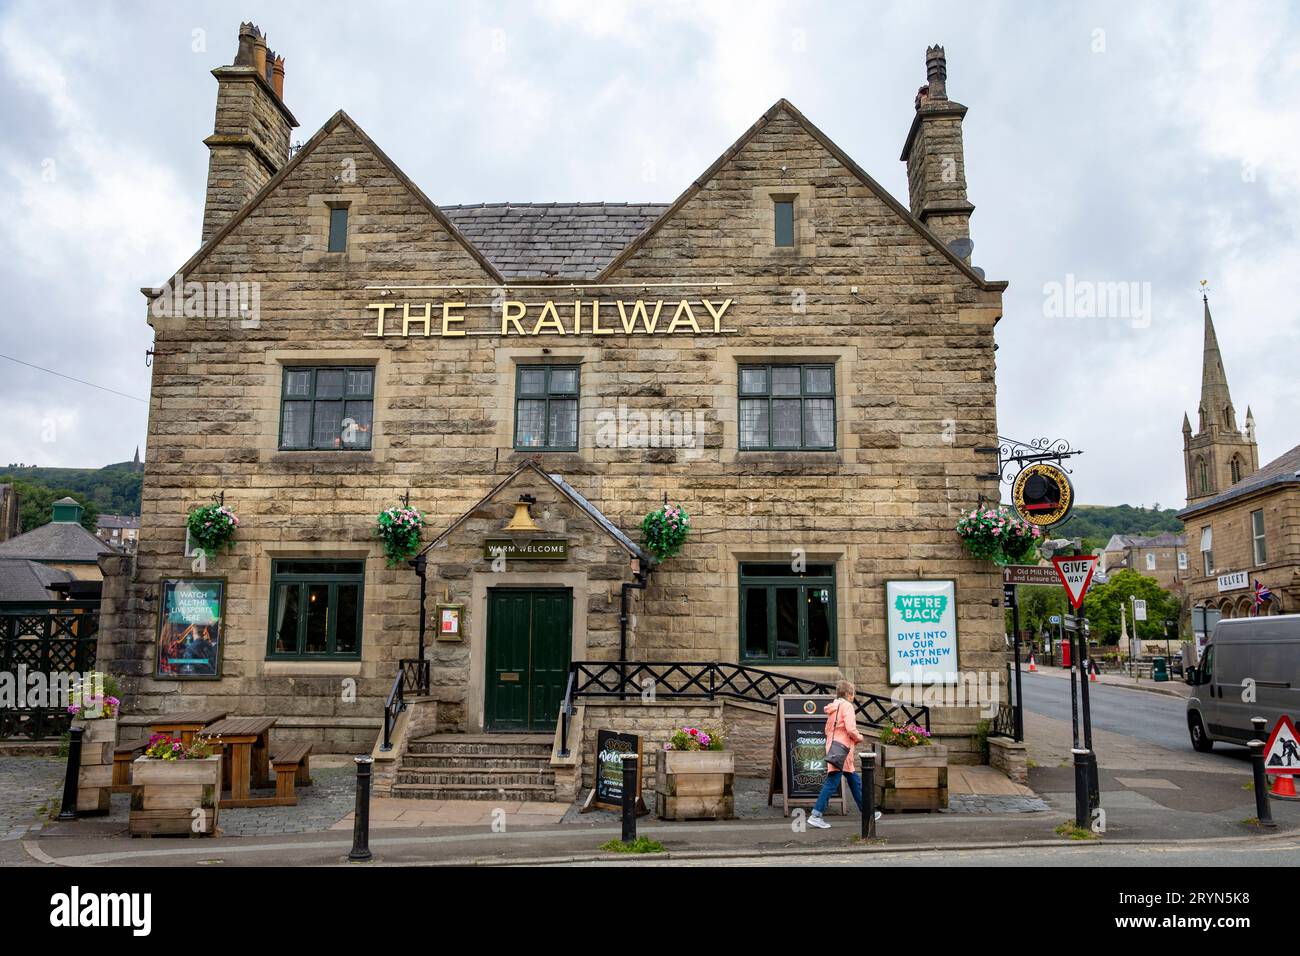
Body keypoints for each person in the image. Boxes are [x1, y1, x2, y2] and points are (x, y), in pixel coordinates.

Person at [807, 680, 879, 829]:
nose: (853, 697)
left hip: (834, 747)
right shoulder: (847, 706)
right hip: (843, 749)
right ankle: (816, 814)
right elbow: (851, 729)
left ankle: (867, 811)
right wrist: (859, 737)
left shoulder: (833, 707)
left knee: (854, 780)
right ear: (848, 694)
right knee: (833, 781)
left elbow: (827, 730)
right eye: (852, 694)